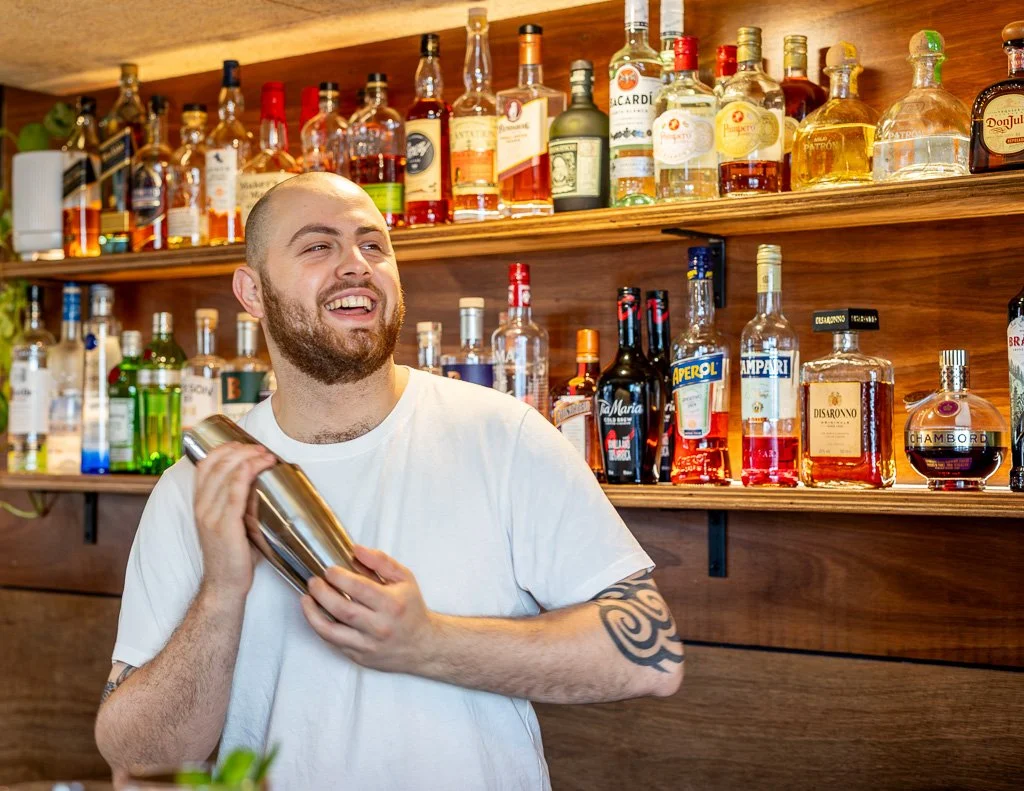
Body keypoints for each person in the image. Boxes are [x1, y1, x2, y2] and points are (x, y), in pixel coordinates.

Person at [95, 172, 684, 790]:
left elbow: (652, 656)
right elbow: (138, 754)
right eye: (318, 246)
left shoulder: (502, 436)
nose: (356, 265)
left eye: (373, 245)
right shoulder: (197, 487)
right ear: (253, 292)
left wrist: (428, 643)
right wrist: (220, 595)